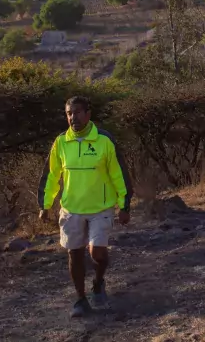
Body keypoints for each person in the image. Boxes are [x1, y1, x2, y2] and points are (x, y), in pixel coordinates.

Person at [38, 96, 132, 318]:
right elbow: (52, 176)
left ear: (88, 114)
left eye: (78, 112)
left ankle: (98, 282)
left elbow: (119, 174)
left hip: (101, 208)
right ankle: (80, 299)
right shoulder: (61, 142)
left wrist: (124, 204)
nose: (73, 117)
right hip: (71, 209)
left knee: (97, 252)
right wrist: (45, 204)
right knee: (75, 254)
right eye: (69, 113)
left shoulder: (104, 140)